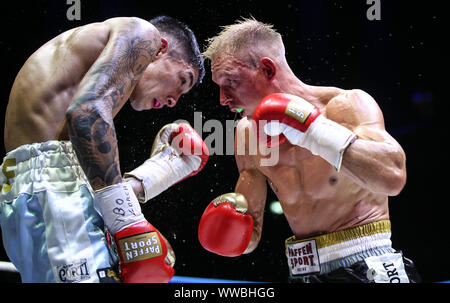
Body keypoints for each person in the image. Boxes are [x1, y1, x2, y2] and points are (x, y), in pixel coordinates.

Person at [197, 17, 421, 283]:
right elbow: (251, 231)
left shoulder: (345, 106)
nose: (223, 99)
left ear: (267, 70)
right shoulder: (246, 133)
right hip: (302, 273)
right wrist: (230, 234)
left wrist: (312, 129)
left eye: (230, 82)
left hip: (368, 265)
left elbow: (393, 177)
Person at [0, 15, 209, 283]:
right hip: (54, 196)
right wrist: (127, 221)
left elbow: (65, 168)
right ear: (161, 48)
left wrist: (161, 170)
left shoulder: (79, 69)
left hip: (33, 192)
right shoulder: (143, 32)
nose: (173, 100)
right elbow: (87, 113)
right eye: (183, 79)